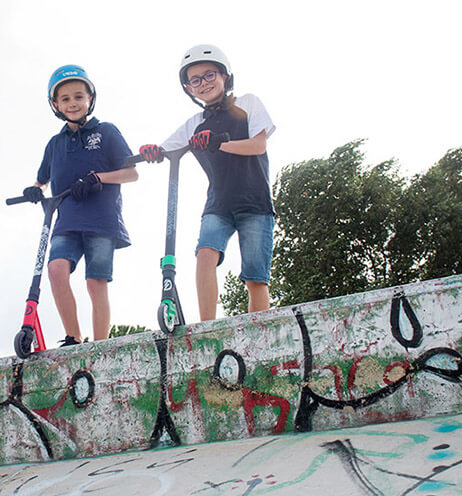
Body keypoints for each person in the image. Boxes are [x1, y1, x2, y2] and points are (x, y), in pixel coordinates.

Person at [139, 44, 276, 321]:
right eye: (195, 80)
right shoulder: (195, 123)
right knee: (204, 255)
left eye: (210, 75)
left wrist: (219, 143)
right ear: (189, 89)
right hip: (219, 204)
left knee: (255, 277)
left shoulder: (246, 103)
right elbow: (167, 150)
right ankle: (207, 326)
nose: (203, 83)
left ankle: (259, 331)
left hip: (255, 202)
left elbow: (258, 145)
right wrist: (152, 151)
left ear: (225, 76)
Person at [26, 65, 138, 345]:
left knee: (95, 283)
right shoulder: (55, 144)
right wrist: (34, 189)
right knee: (56, 270)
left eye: (78, 96)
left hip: (102, 220)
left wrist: (97, 178)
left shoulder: (107, 132)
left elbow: (132, 173)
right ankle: (73, 338)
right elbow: (42, 180)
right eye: (65, 99)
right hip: (67, 221)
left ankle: (100, 344)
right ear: (55, 105)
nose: (72, 103)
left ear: (90, 99)